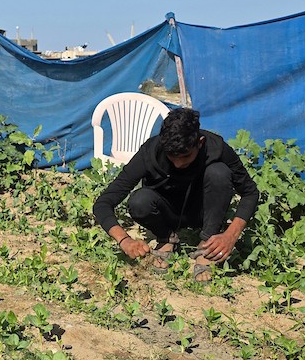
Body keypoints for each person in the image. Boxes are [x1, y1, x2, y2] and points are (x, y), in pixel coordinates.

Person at [92, 107, 259, 281]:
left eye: (186, 156)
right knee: (139, 201)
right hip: (167, 212)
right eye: (172, 156)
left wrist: (230, 236)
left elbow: (250, 192)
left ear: (200, 143)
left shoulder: (216, 148)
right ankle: (166, 238)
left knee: (219, 172)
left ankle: (207, 246)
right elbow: (103, 203)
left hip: (202, 211)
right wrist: (124, 240)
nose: (179, 164)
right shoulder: (151, 152)